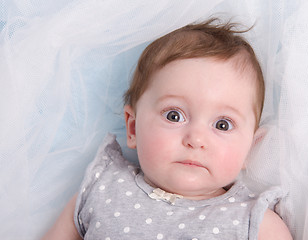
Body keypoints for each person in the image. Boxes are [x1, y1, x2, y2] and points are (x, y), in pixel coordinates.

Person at [42, 18, 292, 240]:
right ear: (132, 128)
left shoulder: (255, 224)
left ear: (251, 147)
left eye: (222, 125)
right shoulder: (101, 188)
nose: (196, 139)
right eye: (174, 116)